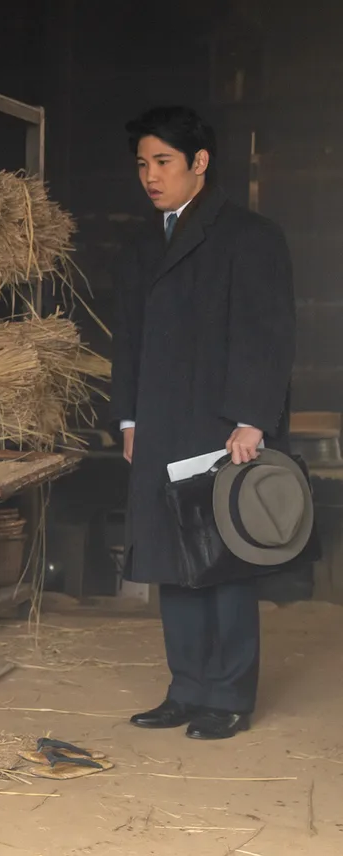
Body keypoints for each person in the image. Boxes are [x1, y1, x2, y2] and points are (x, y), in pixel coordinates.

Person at [111, 106, 295, 740]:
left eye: (163, 162)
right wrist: (130, 417)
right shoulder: (142, 242)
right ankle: (186, 689)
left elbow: (267, 335)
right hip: (160, 421)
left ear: (200, 163)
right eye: (142, 163)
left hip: (222, 425)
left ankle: (230, 695)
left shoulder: (249, 235)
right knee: (171, 560)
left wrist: (253, 418)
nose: (150, 176)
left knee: (224, 562)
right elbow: (128, 337)